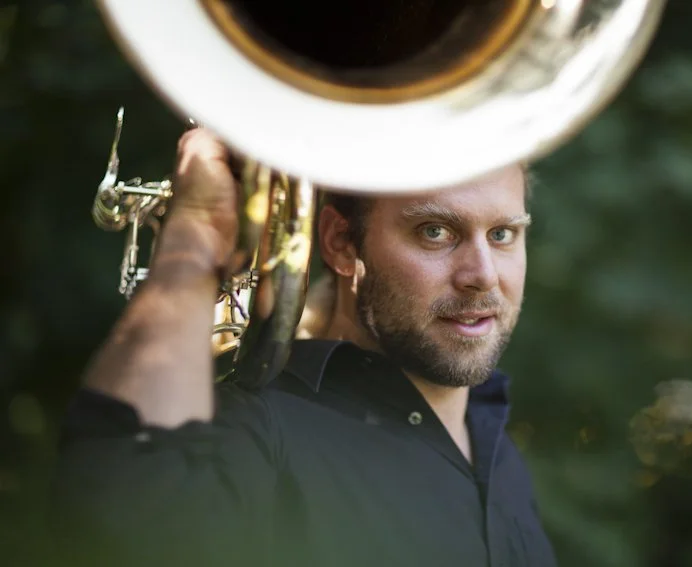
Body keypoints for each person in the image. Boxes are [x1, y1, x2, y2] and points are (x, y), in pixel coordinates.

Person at [50, 128, 558, 567]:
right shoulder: (266, 430)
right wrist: (197, 233)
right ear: (341, 243)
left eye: (503, 234)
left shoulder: (501, 453)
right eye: (435, 231)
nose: (483, 275)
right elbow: (111, 503)